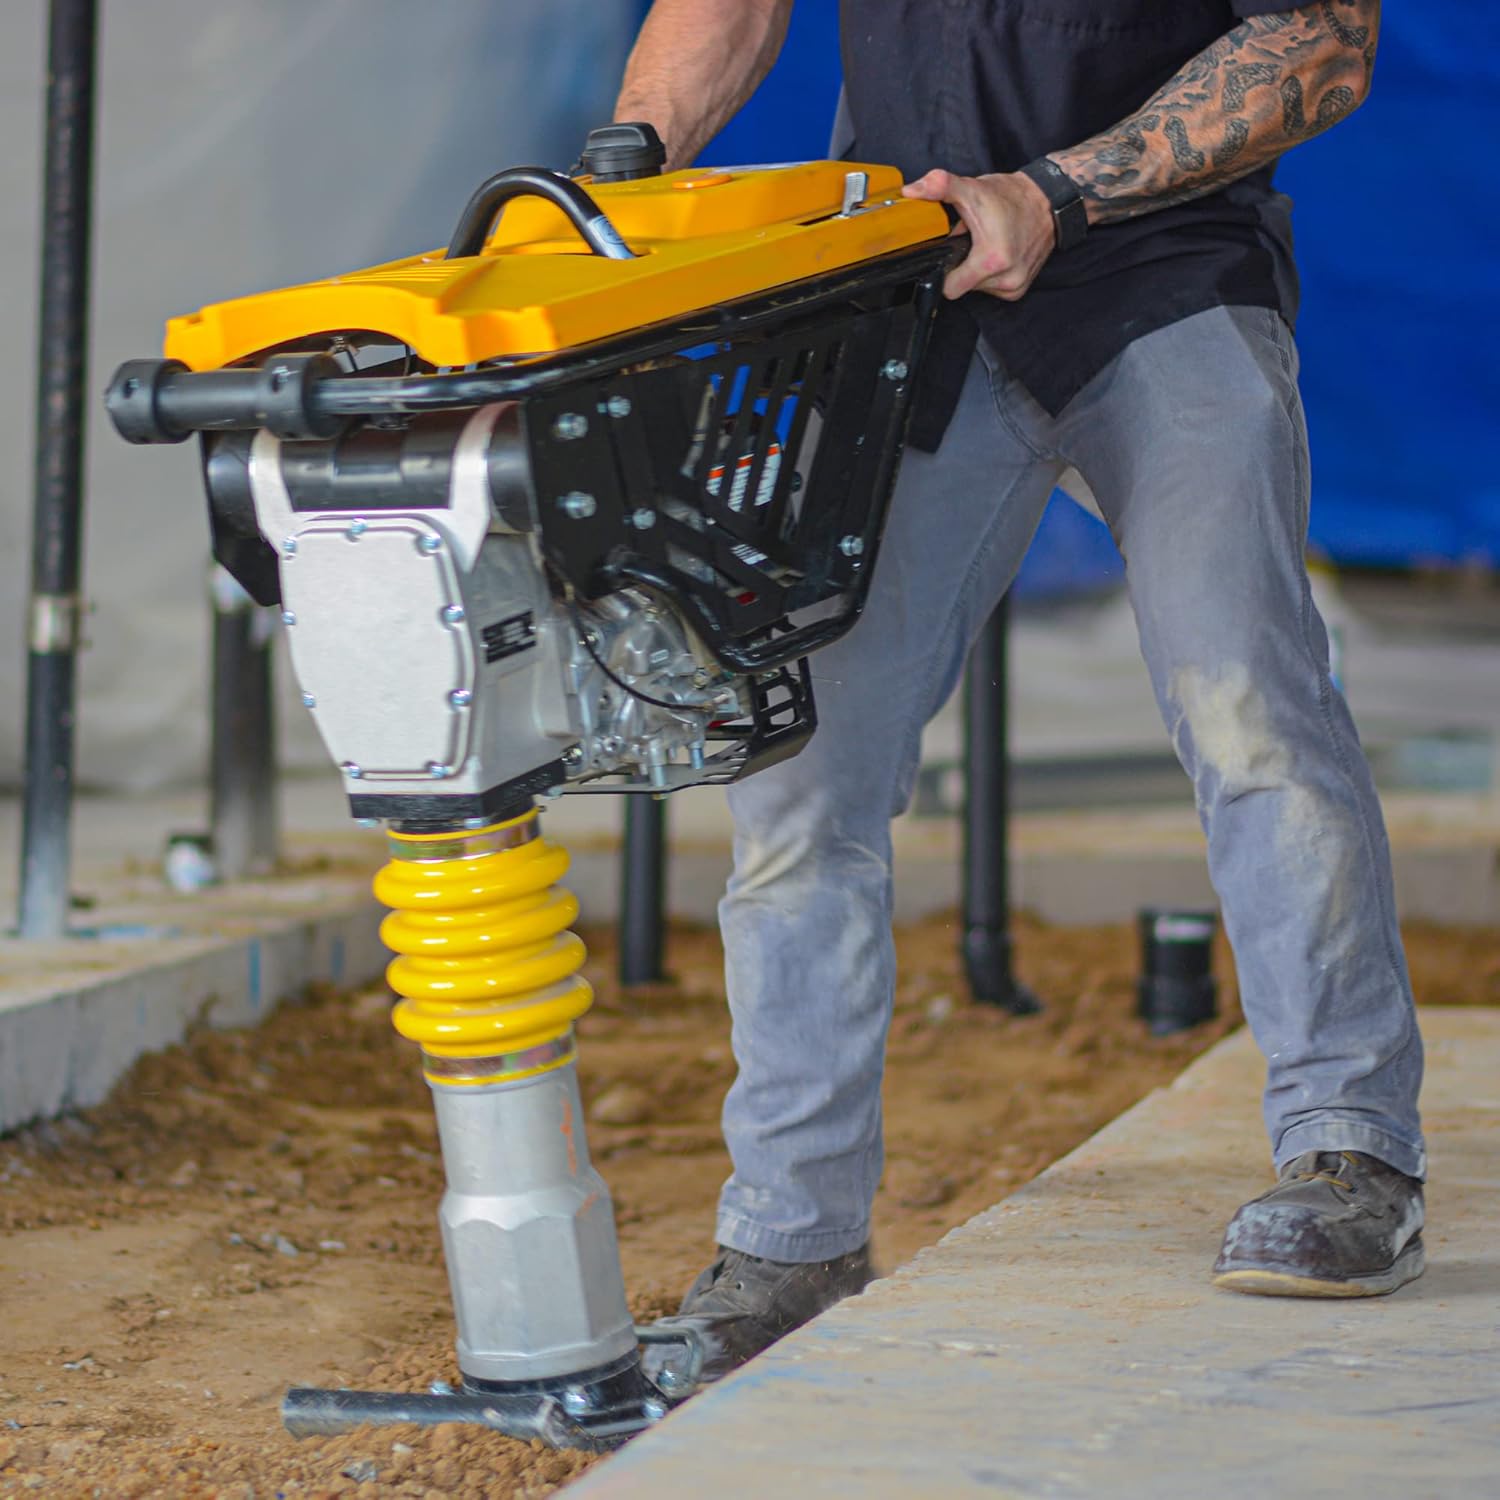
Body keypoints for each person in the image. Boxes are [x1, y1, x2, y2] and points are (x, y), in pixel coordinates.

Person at [615, 0, 1426, 1379]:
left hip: (1162, 276)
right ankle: (792, 1239)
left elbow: (1320, 43)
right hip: (910, 299)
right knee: (803, 772)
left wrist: (1053, 191)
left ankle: (1353, 1153)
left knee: (1251, 705)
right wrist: (624, 167)